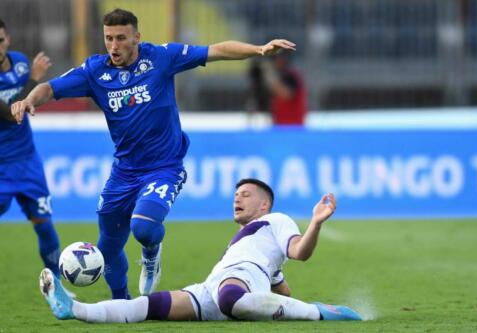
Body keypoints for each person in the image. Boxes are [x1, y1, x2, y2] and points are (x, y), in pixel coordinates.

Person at [11, 8, 297, 299]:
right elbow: (49, 87)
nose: (113, 45)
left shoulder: (161, 57)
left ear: (137, 36)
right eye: (108, 38)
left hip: (164, 167)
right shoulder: (95, 72)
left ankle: (151, 253)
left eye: (121, 38)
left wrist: (259, 50)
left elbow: (216, 50)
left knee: (144, 227)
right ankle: (121, 303)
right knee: (108, 249)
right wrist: (29, 100)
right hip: (124, 171)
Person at [40, 178, 363, 322]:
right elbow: (281, 288)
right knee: (145, 307)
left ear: (264, 204)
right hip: (212, 287)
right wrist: (285, 297)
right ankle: (75, 309)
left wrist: (316, 223)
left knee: (231, 297)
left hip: (239, 281)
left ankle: (319, 311)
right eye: (236, 193)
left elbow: (299, 252)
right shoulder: (247, 243)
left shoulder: (277, 220)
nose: (238, 198)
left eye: (246, 194)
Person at [0, 19, 62, 277]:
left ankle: (58, 287)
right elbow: (8, 113)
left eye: (0, 40)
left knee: (44, 225)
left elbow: (27, 103)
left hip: (27, 162)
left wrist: (32, 86)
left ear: (8, 40)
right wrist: (35, 79)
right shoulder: (30, 72)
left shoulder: (21, 62)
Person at [249, 53, 308, 126]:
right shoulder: (280, 75)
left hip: (293, 125)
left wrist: (270, 76)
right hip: (279, 124)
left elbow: (287, 94)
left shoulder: (291, 76)